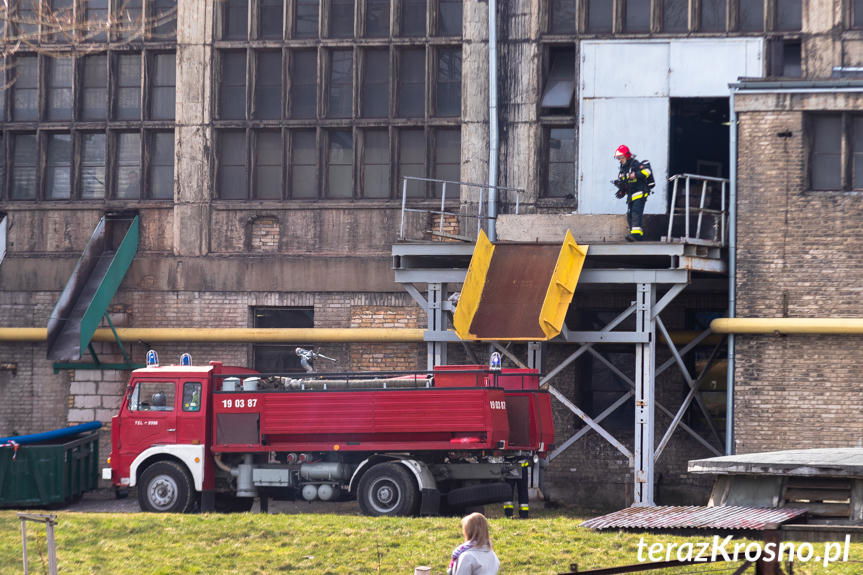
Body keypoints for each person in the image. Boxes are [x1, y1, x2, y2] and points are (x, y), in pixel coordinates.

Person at [612, 144, 653, 241]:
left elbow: (647, 172)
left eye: (620, 157)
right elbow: (626, 182)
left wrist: (635, 175)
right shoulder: (623, 168)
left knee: (635, 213)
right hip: (631, 195)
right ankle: (636, 235)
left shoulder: (635, 164)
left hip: (640, 192)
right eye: (617, 158)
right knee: (630, 214)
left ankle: (636, 236)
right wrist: (621, 190)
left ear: (626, 156)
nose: (619, 160)